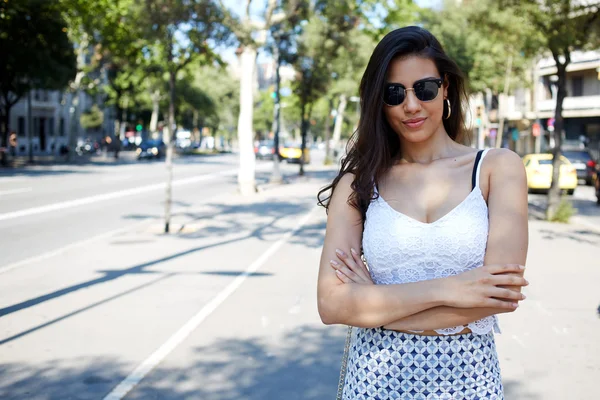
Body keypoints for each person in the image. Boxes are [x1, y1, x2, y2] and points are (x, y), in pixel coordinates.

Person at [317, 26, 529, 399]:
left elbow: (498, 296)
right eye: (394, 93)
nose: (411, 105)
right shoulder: (359, 183)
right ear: (378, 102)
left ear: (445, 87)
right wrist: (451, 289)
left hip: (470, 386)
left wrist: (376, 304)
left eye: (425, 88)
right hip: (373, 385)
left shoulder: (498, 168)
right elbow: (332, 304)